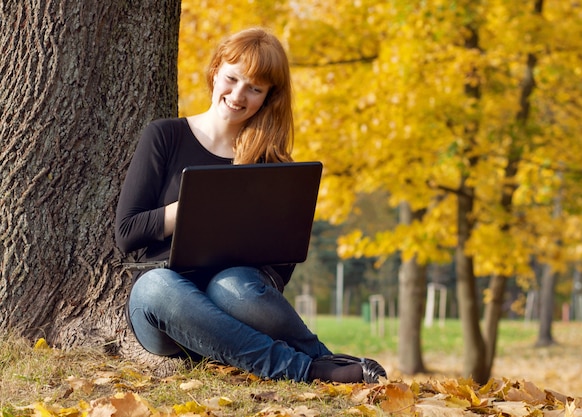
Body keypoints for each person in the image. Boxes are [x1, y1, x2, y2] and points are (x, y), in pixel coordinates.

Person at [115, 27, 386, 383]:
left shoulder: (270, 164)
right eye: (232, 78)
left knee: (233, 289)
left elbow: (282, 265)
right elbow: (127, 232)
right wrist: (189, 209)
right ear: (215, 72)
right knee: (155, 286)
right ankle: (314, 365)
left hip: (238, 303)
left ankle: (311, 361)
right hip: (169, 310)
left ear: (268, 98)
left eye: (254, 88)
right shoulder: (165, 135)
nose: (238, 95)